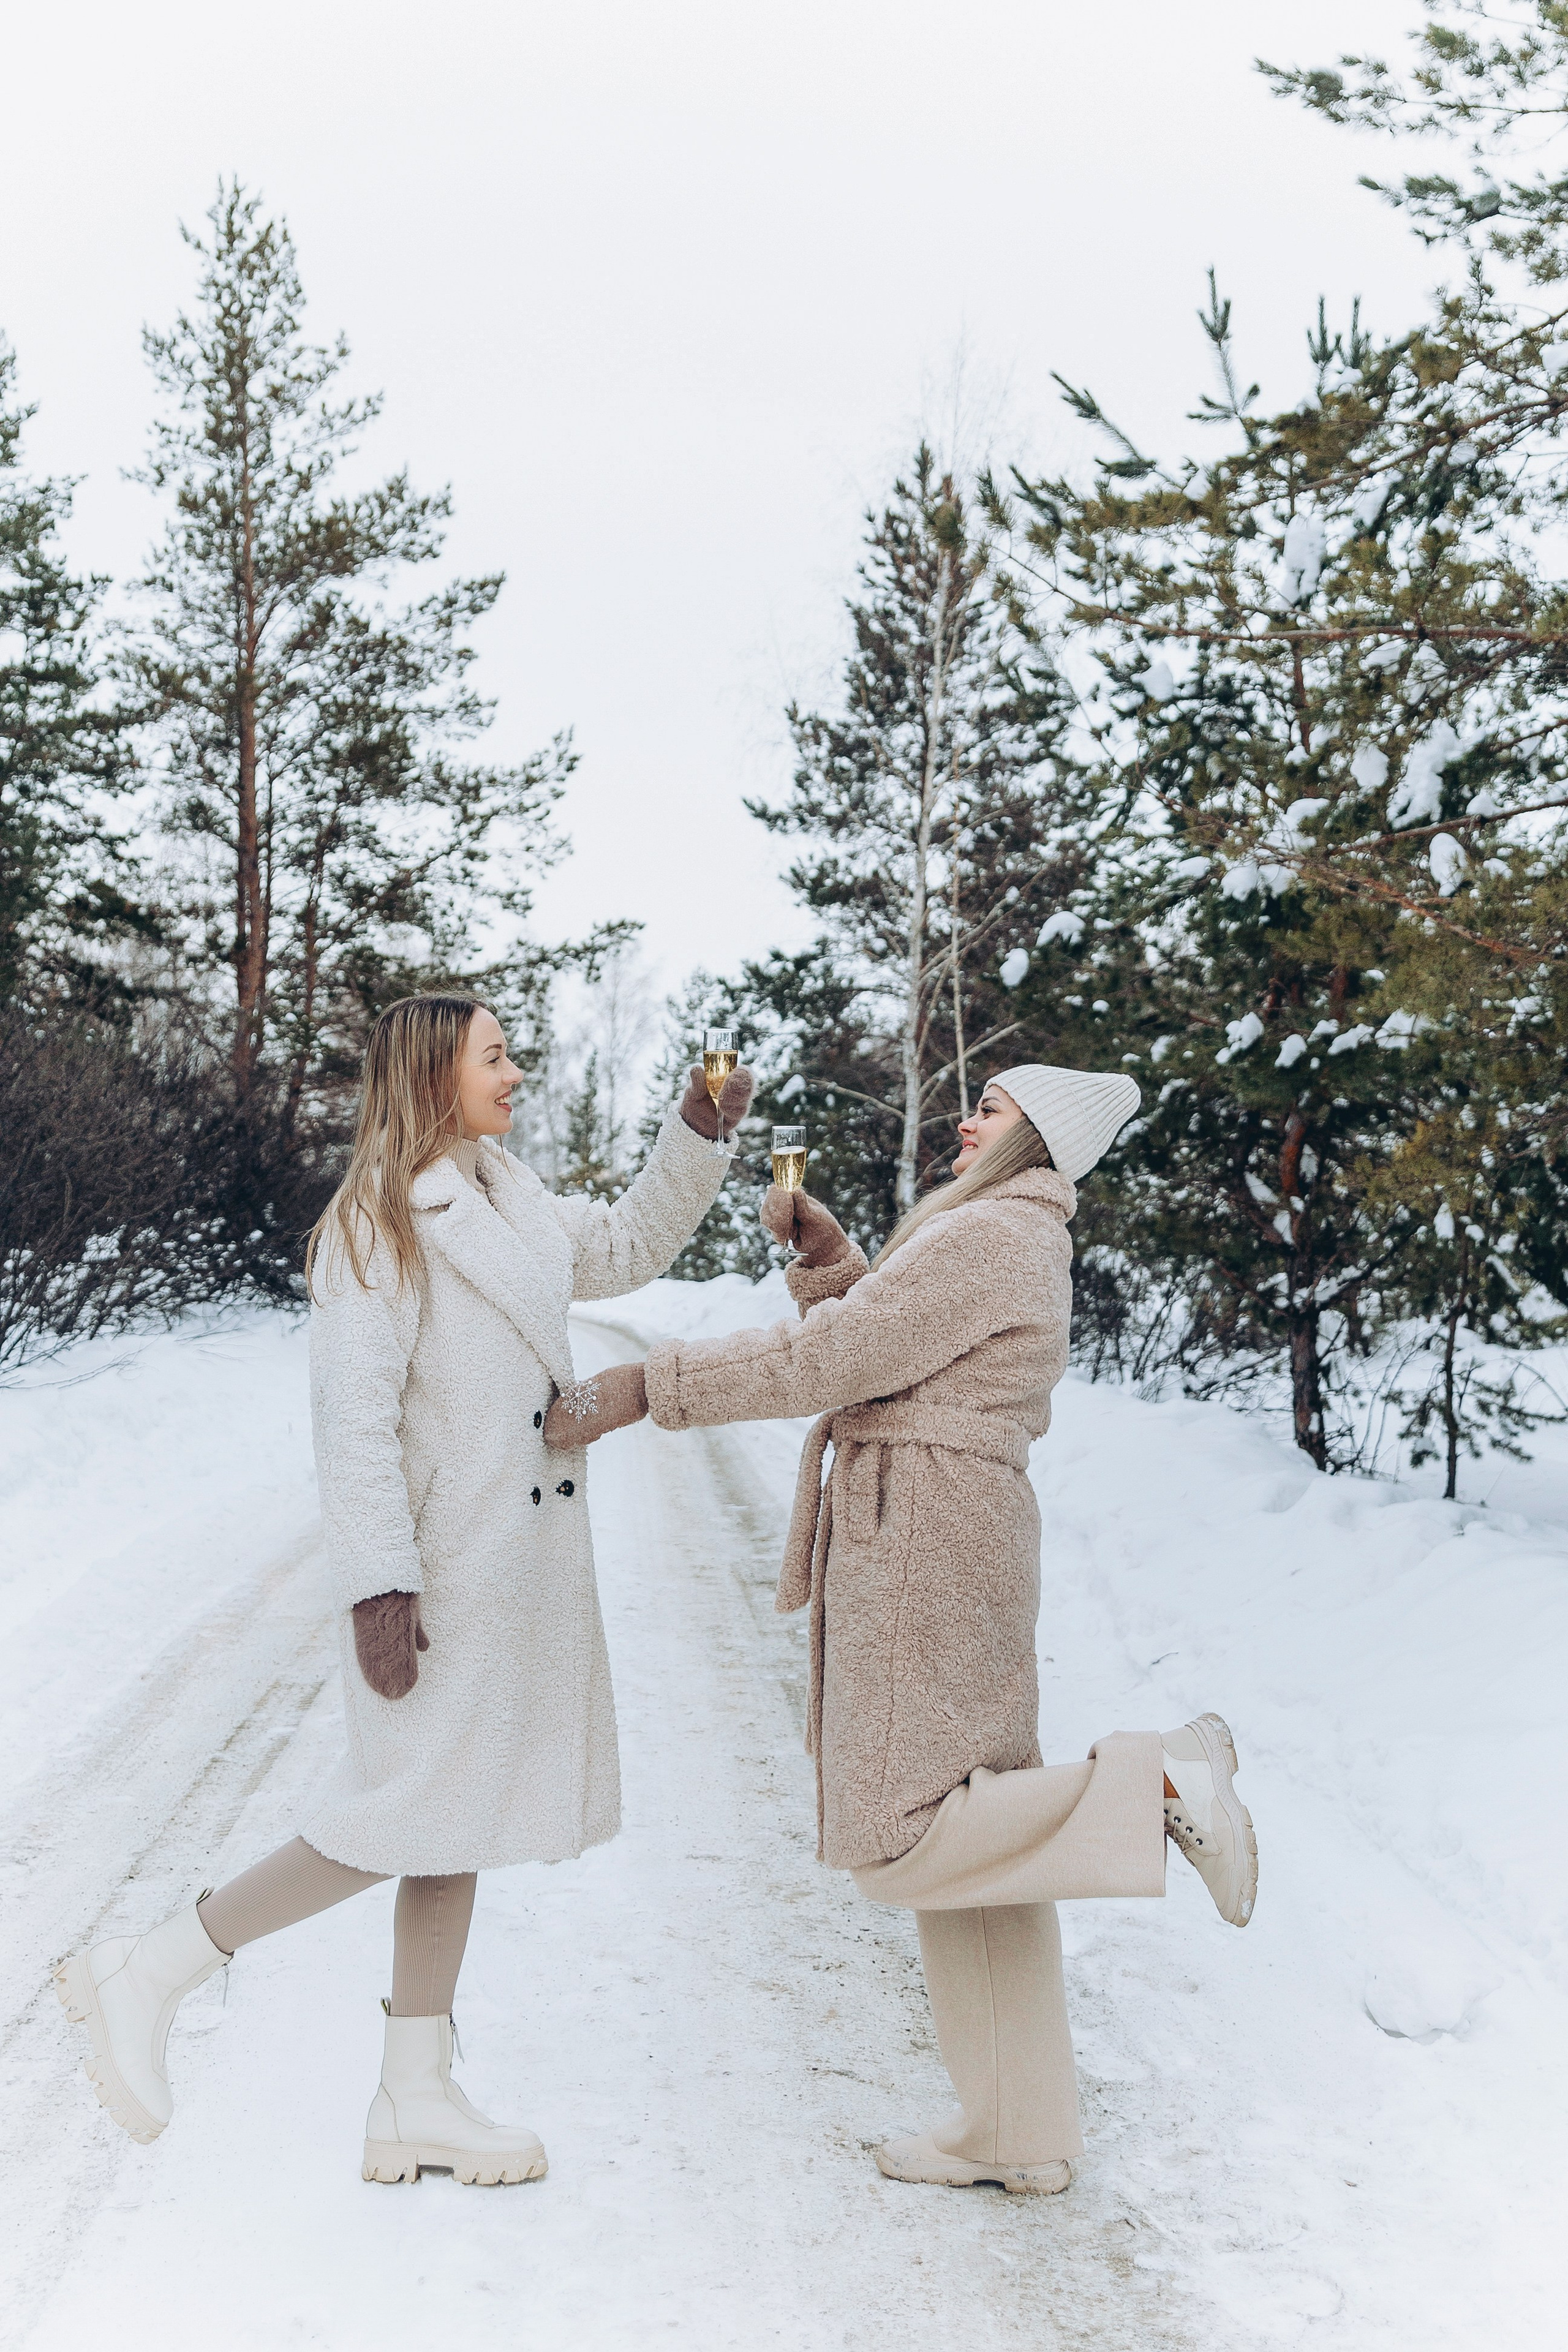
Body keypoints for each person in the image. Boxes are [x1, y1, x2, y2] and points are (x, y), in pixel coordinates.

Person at [55, 992, 753, 2186]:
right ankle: (154, 1965)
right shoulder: (375, 1226)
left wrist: (695, 1128)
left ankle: (413, 2098)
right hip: (441, 1580)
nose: (515, 1071)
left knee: (453, 1823)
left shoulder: (510, 1196)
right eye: (494, 1055)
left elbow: (634, 1243)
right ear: (435, 1074)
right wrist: (383, 1587)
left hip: (508, 1571)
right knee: (396, 1817)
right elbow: (354, 1425)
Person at [547, 1063, 1257, 2195]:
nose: (969, 1122)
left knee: (906, 1832)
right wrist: (830, 1264)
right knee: (976, 1851)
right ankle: (1015, 2130)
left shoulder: (997, 1233)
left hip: (928, 1528)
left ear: (1042, 1137)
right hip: (949, 1520)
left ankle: (1159, 1784)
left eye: (993, 1109)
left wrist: (649, 1385)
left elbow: (836, 1363)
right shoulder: (999, 1231)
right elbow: (882, 1339)